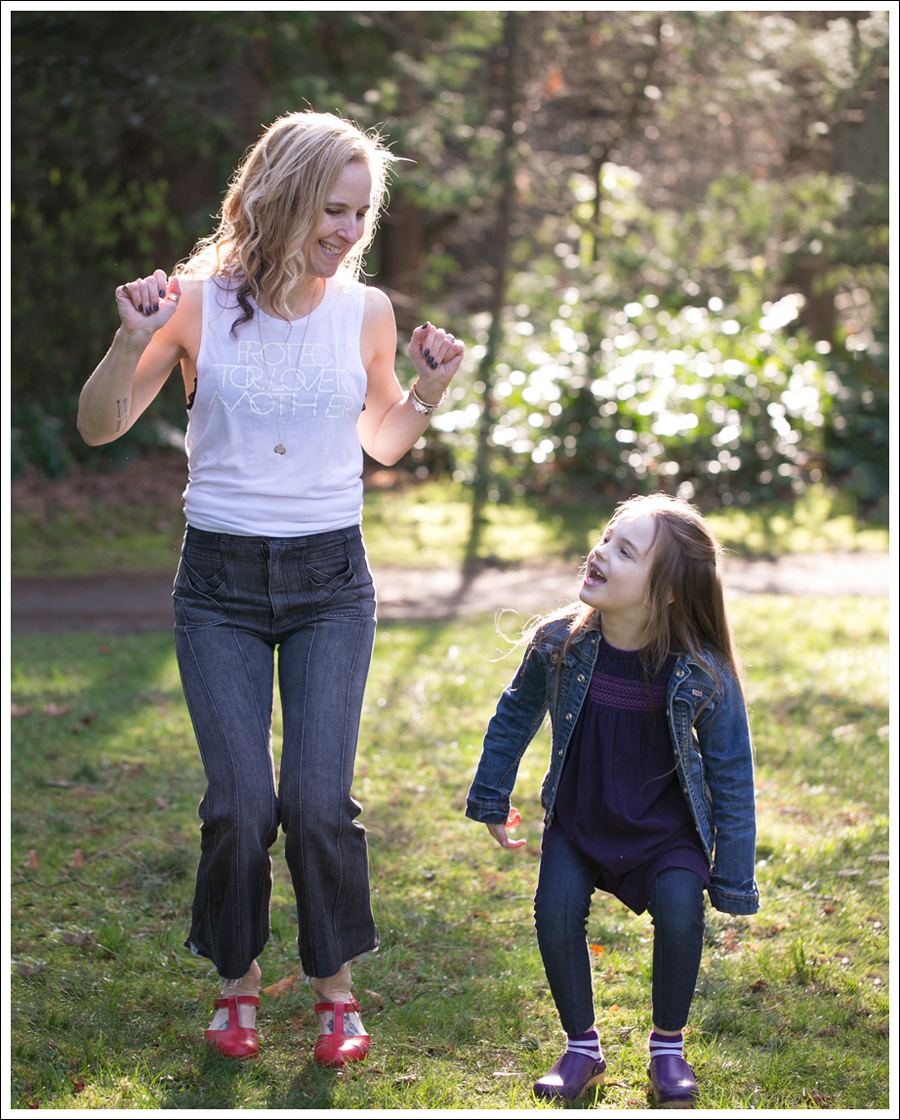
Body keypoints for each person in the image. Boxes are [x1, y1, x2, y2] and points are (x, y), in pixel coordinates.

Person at [77, 110, 464, 1066]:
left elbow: (381, 442)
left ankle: (335, 988)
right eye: (333, 210)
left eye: (361, 214)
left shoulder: (366, 313)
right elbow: (99, 426)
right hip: (220, 586)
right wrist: (130, 340)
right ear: (283, 198)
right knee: (242, 805)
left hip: (331, 580)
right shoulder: (193, 304)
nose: (349, 231)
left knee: (322, 803)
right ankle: (238, 981)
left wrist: (427, 391)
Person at [465, 494, 758, 1106]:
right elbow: (514, 716)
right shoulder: (558, 643)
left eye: (625, 552)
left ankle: (668, 1048)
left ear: (668, 591)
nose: (599, 553)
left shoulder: (702, 671)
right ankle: (581, 1049)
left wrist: (731, 876)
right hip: (581, 817)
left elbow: (732, 773)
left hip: (666, 832)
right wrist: (491, 796)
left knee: (680, 910)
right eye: (606, 538)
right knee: (554, 910)